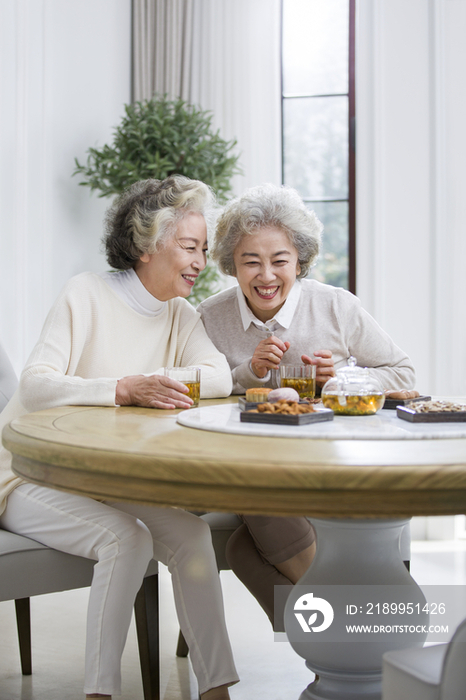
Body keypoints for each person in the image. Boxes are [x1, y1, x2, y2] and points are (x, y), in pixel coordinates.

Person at [0, 176, 239, 700]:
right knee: (126, 539)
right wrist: (125, 388)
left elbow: (219, 377)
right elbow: (36, 386)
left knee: (193, 537)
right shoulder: (85, 293)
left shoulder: (179, 313)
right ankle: (100, 693)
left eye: (204, 248)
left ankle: (216, 689)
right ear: (150, 243)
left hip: (101, 477)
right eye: (190, 246)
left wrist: (160, 380)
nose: (202, 261)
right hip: (26, 476)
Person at [197, 183, 416, 630]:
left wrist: (342, 381)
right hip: (249, 467)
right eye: (250, 262)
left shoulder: (334, 306)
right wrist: (248, 374)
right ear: (230, 264)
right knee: (257, 488)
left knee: (242, 549)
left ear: (300, 260)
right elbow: (198, 392)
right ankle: (352, 635)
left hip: (330, 466)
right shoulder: (209, 317)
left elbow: (403, 374)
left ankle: (331, 642)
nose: (266, 276)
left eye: (279, 261)